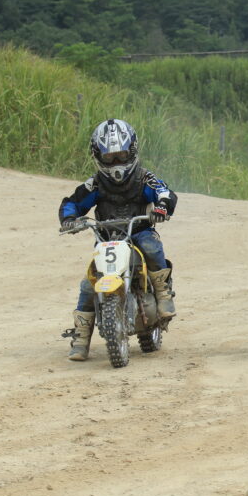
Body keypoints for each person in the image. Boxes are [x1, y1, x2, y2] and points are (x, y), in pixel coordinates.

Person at [59, 118, 177, 361]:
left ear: (132, 151)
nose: (116, 163)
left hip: (139, 231)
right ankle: (81, 338)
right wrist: (70, 219)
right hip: (106, 237)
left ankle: (163, 293)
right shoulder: (95, 184)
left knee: (151, 247)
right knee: (88, 283)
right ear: (98, 156)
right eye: (109, 157)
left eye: (121, 155)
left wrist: (162, 207)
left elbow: (164, 192)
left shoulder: (144, 178)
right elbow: (72, 202)